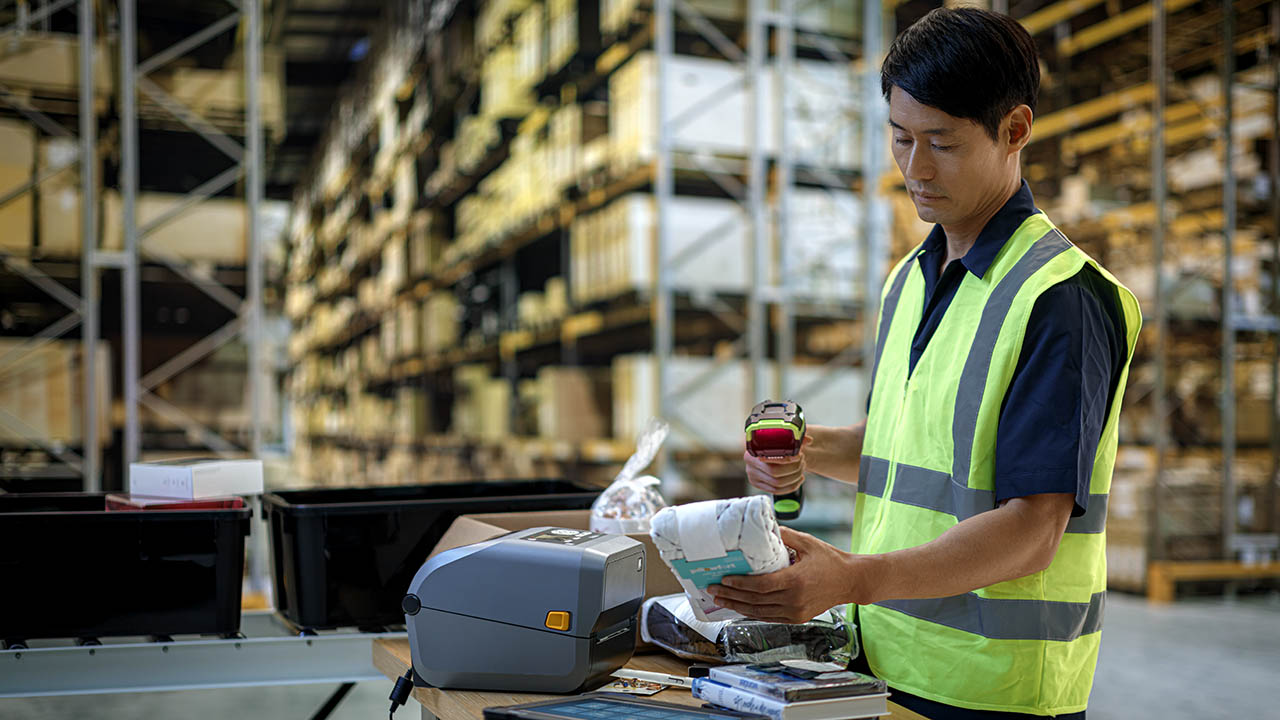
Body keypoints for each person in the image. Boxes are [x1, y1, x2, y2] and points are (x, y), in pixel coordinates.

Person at [707, 8, 1142, 719]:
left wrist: (852, 577)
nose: (914, 168)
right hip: (885, 656)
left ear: (1016, 130)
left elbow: (1034, 528)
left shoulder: (1062, 299)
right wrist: (809, 452)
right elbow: (907, 449)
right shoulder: (910, 277)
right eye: (900, 138)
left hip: (992, 689)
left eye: (941, 143)